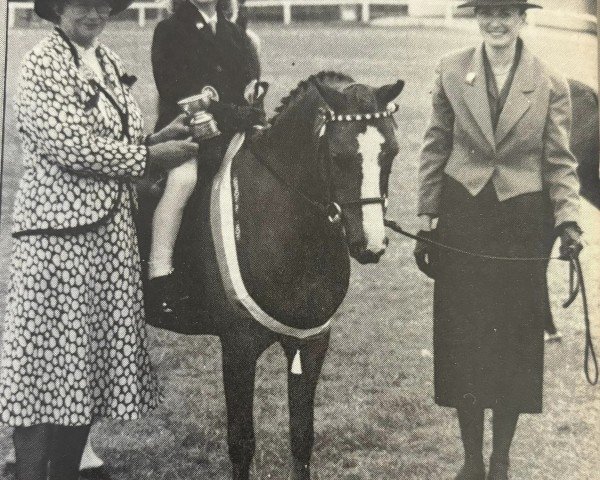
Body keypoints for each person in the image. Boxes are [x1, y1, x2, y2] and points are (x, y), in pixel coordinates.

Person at [0, 0, 198, 478]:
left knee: (84, 370)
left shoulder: (107, 60)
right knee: (39, 372)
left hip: (109, 238)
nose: (93, 15)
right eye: (81, 5)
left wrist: (159, 138)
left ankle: (66, 473)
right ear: (57, 10)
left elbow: (116, 140)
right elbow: (71, 146)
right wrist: (153, 159)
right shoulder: (41, 62)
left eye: (102, 6)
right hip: (56, 240)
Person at [414, 1, 583, 479]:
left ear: (522, 18)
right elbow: (435, 145)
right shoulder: (450, 69)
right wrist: (427, 218)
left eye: (506, 12)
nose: (496, 22)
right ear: (476, 18)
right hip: (462, 217)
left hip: (522, 227)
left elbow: (559, 163)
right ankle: (470, 461)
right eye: (487, 12)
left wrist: (568, 221)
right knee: (464, 339)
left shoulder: (550, 82)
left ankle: (501, 460)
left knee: (513, 341)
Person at [147, 0, 263, 315]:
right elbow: (174, 89)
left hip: (232, 130)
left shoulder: (235, 33)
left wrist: (252, 115)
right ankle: (160, 274)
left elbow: (251, 88)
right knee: (184, 180)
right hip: (186, 131)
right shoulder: (169, 30)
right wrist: (231, 113)